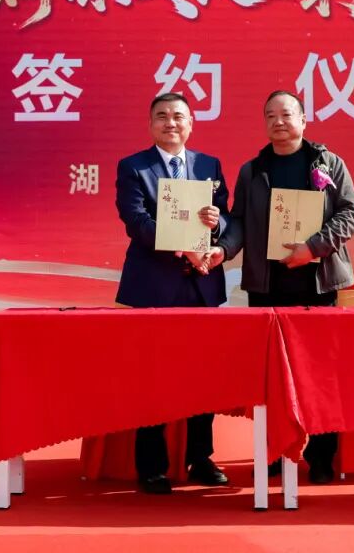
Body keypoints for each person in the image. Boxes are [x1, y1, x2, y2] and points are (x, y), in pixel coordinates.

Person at [216, 90, 354, 483]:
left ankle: (322, 457)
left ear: (303, 120)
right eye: (270, 116)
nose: (278, 122)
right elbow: (239, 221)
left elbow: (351, 214)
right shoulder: (252, 171)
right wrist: (222, 250)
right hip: (267, 287)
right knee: (271, 377)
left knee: (321, 374)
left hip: (319, 283)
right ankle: (274, 452)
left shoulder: (328, 163)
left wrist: (312, 248)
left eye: (286, 114)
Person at [113, 92, 230, 494]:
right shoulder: (134, 167)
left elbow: (225, 216)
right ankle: (151, 465)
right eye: (161, 116)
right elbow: (136, 221)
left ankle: (200, 457)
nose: (170, 123)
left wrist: (216, 230)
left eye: (178, 116)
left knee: (204, 376)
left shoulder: (209, 165)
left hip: (202, 285)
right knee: (152, 376)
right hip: (153, 286)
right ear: (150, 125)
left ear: (191, 123)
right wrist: (183, 246)